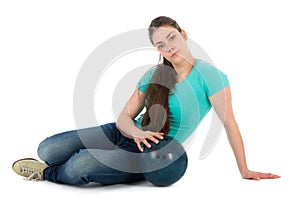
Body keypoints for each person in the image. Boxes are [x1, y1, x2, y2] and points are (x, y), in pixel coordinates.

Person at [12, 16, 280, 185]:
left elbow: (230, 124)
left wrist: (244, 169)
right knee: (47, 150)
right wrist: (136, 131)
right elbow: (123, 118)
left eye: (171, 37)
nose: (169, 46)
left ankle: (48, 174)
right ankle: (67, 164)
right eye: (161, 44)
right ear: (157, 49)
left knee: (81, 164)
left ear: (183, 34)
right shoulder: (154, 74)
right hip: (123, 133)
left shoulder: (209, 75)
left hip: (153, 151)